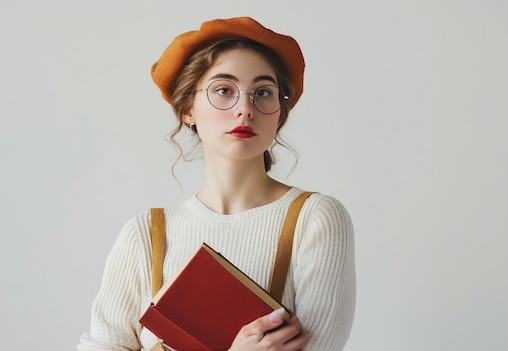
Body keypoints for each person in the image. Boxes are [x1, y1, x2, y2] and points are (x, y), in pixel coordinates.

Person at [77, 17, 356, 351]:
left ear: (279, 114)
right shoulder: (145, 236)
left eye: (263, 93)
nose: (244, 109)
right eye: (224, 90)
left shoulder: (316, 220)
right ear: (186, 109)